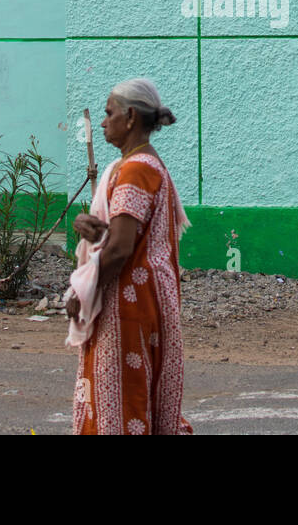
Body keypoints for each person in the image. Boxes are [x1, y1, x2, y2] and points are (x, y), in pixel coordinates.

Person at [65, 77, 192, 435]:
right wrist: (86, 225)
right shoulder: (145, 166)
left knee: (120, 407)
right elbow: (120, 231)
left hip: (128, 307)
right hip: (150, 300)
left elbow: (120, 247)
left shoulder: (136, 169)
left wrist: (81, 292)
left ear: (131, 117)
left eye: (109, 113)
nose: (103, 122)